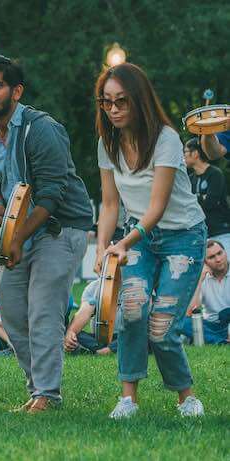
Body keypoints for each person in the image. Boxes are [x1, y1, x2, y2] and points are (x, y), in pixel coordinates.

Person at [0, 55, 93, 413]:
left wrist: (16, 238)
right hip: (18, 231)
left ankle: (47, 394)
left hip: (60, 226)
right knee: (10, 308)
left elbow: (52, 195)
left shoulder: (41, 128)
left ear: (16, 90)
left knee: (43, 308)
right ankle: (37, 388)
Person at [95, 62, 207, 419]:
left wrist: (123, 243)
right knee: (131, 311)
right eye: (107, 102)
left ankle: (186, 397)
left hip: (183, 238)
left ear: (139, 100)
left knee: (160, 325)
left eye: (121, 102)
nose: (113, 110)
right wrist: (102, 249)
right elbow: (110, 204)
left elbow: (156, 207)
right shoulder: (106, 143)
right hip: (137, 239)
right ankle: (128, 398)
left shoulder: (167, 139)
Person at [183, 137, 230, 249]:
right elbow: (185, 205)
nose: (183, 156)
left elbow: (210, 203)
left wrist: (194, 200)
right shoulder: (190, 179)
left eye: (185, 152)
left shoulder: (215, 174)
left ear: (195, 153)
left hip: (221, 232)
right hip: (201, 236)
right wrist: (200, 198)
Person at [181, 240, 230, 345]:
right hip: (211, 325)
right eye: (211, 257)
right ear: (205, 261)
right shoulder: (201, 277)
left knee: (226, 312)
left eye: (220, 253)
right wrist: (199, 280)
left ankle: (211, 339)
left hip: (228, 320)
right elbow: (191, 312)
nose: (218, 259)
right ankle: (221, 342)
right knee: (182, 321)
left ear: (225, 252)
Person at [64, 279, 118, 355]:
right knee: (68, 332)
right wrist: (71, 332)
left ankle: (107, 350)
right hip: (100, 338)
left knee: (136, 334)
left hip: (125, 336)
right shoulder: (94, 286)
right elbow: (85, 311)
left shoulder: (134, 286)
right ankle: (101, 348)